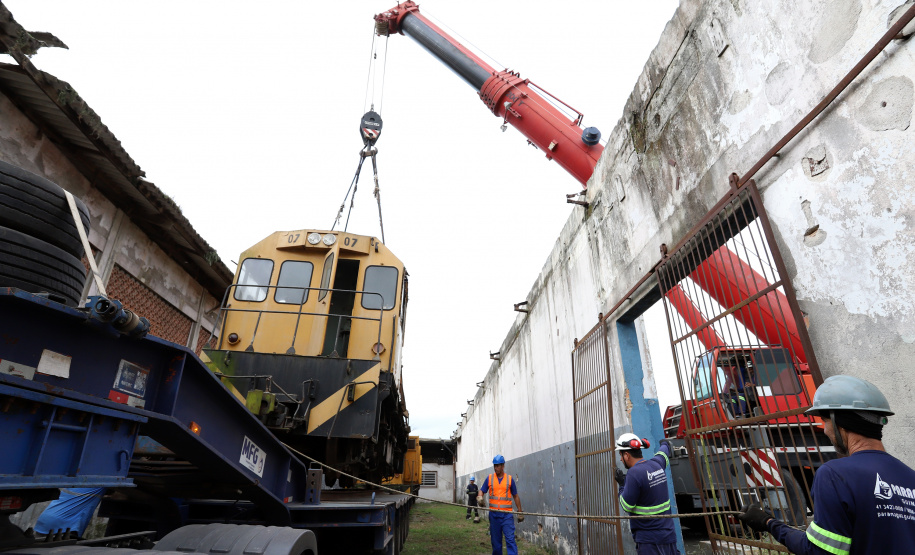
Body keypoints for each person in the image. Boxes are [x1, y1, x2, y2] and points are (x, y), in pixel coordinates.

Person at [738, 375, 915, 554]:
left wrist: (769, 523)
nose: (824, 430)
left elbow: (818, 551)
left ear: (839, 423)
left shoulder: (834, 475)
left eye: (825, 421)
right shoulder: (910, 476)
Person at [614, 433, 678, 555]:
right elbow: (664, 452)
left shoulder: (634, 473)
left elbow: (626, 506)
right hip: (669, 536)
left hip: (649, 541)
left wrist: (622, 485)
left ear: (627, 455)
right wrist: (664, 443)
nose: (621, 459)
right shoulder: (657, 464)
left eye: (621, 455)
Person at [481, 454, 524, 555]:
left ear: (503, 466)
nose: (496, 468)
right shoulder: (489, 478)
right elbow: (482, 491)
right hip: (494, 516)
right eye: (494, 466)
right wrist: (479, 497)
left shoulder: (509, 479)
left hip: (507, 516)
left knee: (510, 540)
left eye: (498, 466)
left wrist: (520, 512)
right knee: (496, 544)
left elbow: (515, 496)